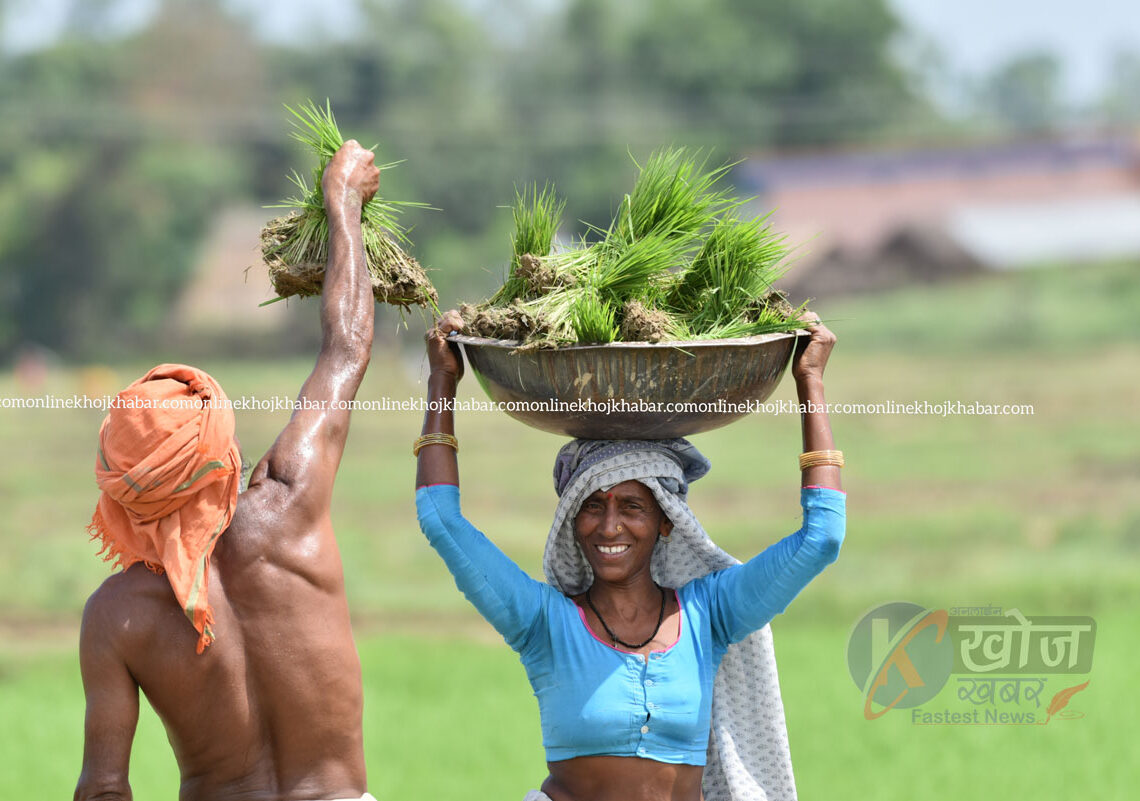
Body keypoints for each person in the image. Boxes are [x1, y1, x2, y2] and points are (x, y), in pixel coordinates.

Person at [414, 310, 846, 801]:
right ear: (574, 522)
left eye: (632, 507)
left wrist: (809, 380)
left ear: (666, 521)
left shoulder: (711, 615)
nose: (610, 525)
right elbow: (440, 518)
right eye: (593, 506)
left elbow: (822, 538)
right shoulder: (543, 624)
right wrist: (442, 379)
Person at [75, 141, 381, 801]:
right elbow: (347, 346)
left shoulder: (118, 615)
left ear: (124, 490)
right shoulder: (290, 502)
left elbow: (103, 789)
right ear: (222, 449)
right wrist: (344, 202)